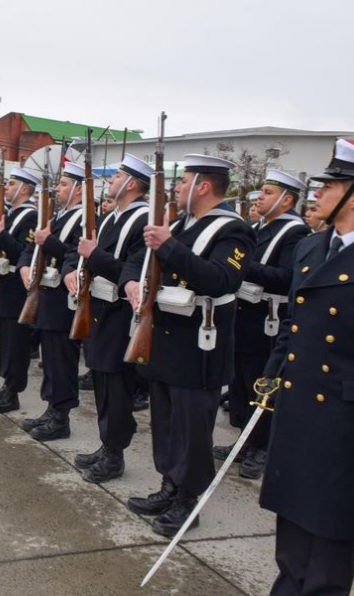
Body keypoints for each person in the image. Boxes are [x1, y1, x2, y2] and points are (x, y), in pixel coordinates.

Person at [259, 139, 354, 595]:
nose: (317, 194)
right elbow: (294, 324)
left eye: (328, 186)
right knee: (292, 535)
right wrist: (271, 377)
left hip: (351, 423)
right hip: (299, 409)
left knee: (331, 545)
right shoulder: (311, 248)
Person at [120, 154, 255, 537]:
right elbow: (139, 262)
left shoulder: (233, 230)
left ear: (203, 186)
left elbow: (221, 280)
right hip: (164, 336)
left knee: (192, 428)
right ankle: (169, 485)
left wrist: (171, 248)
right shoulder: (181, 224)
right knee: (164, 421)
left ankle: (188, 500)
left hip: (200, 345)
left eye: (184, 182)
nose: (178, 188)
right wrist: (132, 282)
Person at [214, 170, 308, 480]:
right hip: (243, 316)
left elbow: (288, 279)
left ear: (287, 199)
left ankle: (262, 446)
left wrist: (245, 269)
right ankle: (244, 439)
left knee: (261, 385)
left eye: (267, 192)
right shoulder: (257, 227)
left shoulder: (294, 233)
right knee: (239, 383)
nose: (260, 197)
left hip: (266, 320)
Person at [64, 154, 152, 483]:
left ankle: (115, 453)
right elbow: (79, 250)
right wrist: (70, 270)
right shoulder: (112, 217)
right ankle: (106, 445)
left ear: (131, 183)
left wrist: (93, 256)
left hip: (120, 314)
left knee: (116, 387)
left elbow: (135, 272)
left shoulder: (143, 219)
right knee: (101, 383)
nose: (111, 181)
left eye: (116, 176)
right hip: (99, 309)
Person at [17, 161, 87, 441]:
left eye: (65, 184)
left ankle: (61, 416)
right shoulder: (59, 215)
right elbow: (32, 245)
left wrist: (49, 242)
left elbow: (77, 254)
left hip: (63, 299)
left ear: (80, 188)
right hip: (47, 295)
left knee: (62, 360)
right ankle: (52, 408)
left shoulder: (84, 217)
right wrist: (25, 264)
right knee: (51, 359)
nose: (59, 189)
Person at [0, 166, 39, 412]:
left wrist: (1, 234)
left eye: (12, 184)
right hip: (2, 286)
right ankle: (6, 385)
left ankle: (13, 391)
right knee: (5, 340)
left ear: (25, 189)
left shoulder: (30, 216)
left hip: (16, 289)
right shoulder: (10, 214)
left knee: (16, 344)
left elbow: (21, 252)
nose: (7, 189)